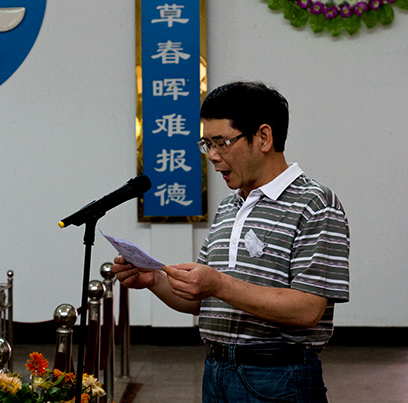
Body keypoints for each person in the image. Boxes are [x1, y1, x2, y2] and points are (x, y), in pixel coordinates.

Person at [112, 81, 349, 402]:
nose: (212, 156)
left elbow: (308, 310)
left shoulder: (315, 203)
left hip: (278, 378)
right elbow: (203, 302)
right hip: (217, 371)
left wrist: (219, 284)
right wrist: (153, 280)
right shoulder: (230, 206)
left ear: (263, 137)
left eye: (221, 142)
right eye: (206, 144)